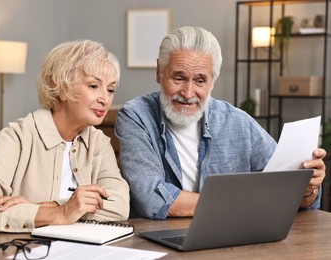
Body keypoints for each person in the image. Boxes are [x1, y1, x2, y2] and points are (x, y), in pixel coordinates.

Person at [115, 26, 326, 220]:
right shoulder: (135, 116)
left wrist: (308, 189)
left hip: (231, 234)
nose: (188, 93)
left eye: (200, 81)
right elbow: (150, 197)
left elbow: (291, 193)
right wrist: (244, 204)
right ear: (159, 73)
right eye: (178, 78)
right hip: (161, 241)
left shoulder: (238, 122)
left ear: (212, 81)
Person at [0, 40, 129, 232]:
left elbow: (120, 205)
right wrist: (60, 213)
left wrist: (51, 206)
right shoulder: (17, 137)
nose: (105, 99)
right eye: (94, 86)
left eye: (111, 89)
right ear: (61, 86)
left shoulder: (98, 143)